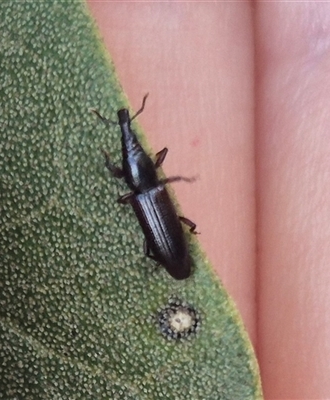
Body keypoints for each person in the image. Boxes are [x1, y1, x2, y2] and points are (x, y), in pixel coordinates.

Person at [89, 2, 330, 399]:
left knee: (161, 239)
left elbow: (138, 169)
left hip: (159, 221)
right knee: (163, 240)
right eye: (132, 150)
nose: (133, 147)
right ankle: (174, 252)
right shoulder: (144, 188)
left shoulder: (139, 188)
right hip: (162, 228)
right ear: (140, 169)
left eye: (133, 149)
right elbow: (139, 170)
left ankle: (174, 252)